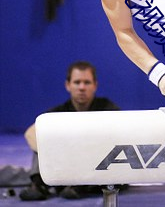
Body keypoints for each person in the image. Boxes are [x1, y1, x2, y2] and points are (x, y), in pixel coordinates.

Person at [19, 61, 120, 201]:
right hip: (65, 164)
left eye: (87, 82)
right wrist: (60, 150)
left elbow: (118, 137)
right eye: (77, 82)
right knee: (42, 137)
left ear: (95, 85)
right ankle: (38, 185)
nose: (82, 87)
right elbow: (31, 133)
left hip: (96, 168)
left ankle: (80, 186)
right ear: (68, 85)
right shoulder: (57, 113)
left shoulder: (108, 109)